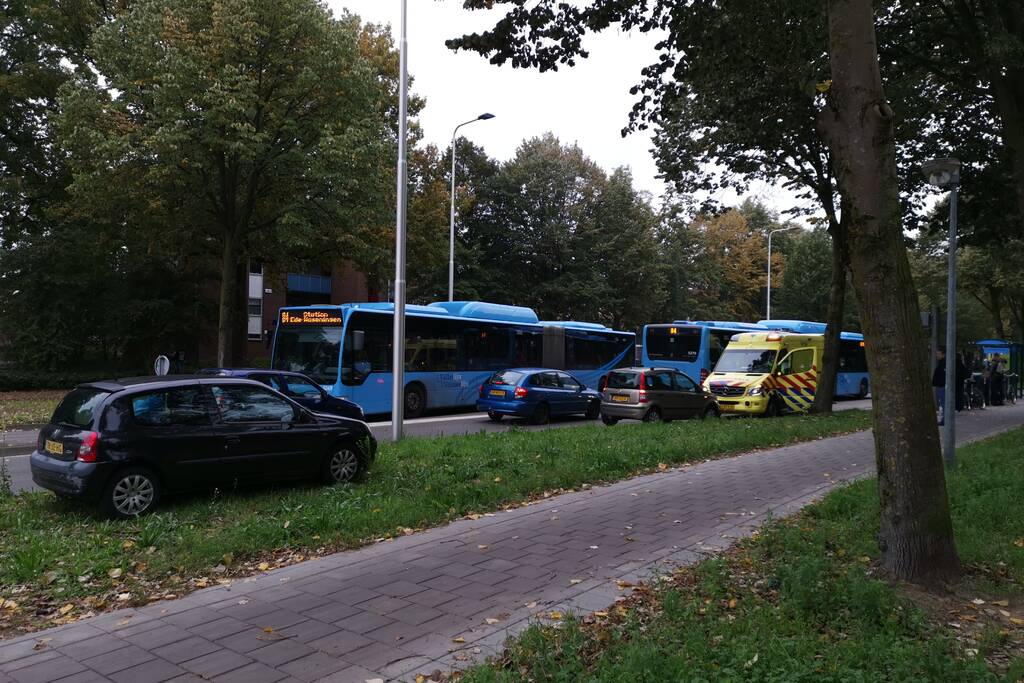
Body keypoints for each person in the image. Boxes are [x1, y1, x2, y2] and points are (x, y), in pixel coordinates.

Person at [932, 347, 946, 425]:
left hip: (942, 386)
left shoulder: (943, 364)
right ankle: (944, 419)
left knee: (943, 403)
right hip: (941, 386)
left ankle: (944, 419)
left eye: (938, 354)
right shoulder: (941, 363)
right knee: (942, 403)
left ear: (943, 355)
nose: (937, 355)